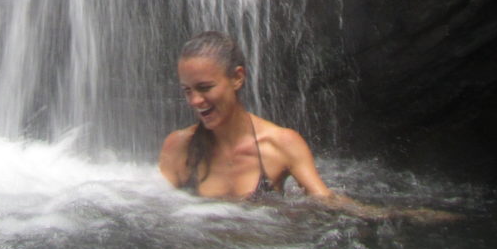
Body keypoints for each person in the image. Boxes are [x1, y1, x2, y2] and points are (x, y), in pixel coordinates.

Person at [158, 31, 455, 220]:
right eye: (187, 90)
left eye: (205, 87)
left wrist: (397, 214)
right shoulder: (179, 147)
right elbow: (154, 211)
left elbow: (324, 201)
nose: (195, 101)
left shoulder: (281, 144)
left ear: (237, 77)